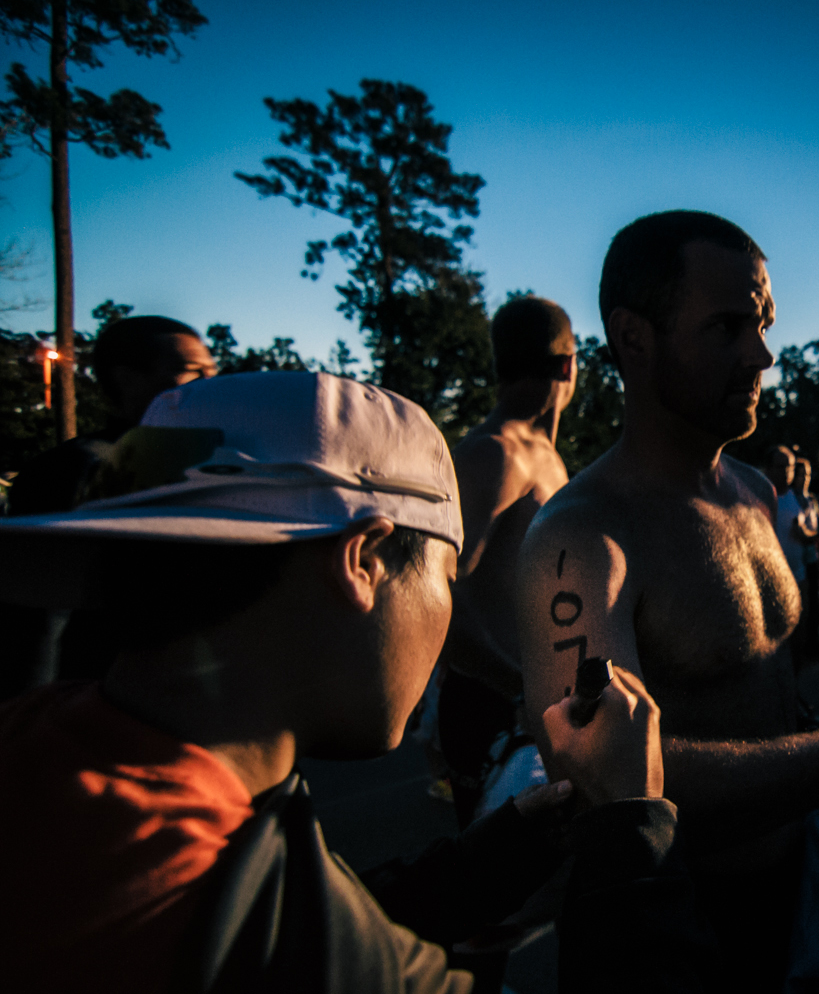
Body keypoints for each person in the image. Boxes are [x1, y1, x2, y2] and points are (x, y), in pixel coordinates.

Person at [0, 371, 710, 993]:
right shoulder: (212, 914)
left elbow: (323, 913)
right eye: (445, 573)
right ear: (365, 560)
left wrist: (499, 854)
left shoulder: (46, 747)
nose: (446, 615)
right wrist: (633, 830)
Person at [514, 210, 819, 994]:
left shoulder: (753, 491)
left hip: (802, 898)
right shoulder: (582, 536)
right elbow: (602, 782)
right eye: (728, 328)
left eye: (763, 325)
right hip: (667, 932)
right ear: (634, 338)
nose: (762, 355)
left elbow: (760, 695)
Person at [2, 316, 219, 697]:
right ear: (128, 379)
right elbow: (37, 623)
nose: (210, 385)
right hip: (97, 716)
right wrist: (29, 723)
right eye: (190, 372)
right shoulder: (80, 469)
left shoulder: (211, 468)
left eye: (212, 371)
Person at [435, 295, 578, 825]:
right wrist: (516, 686)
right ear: (568, 364)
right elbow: (437, 591)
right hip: (493, 706)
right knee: (499, 881)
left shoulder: (545, 454)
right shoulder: (493, 453)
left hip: (534, 700)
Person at [769, 449, 819, 668]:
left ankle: (794, 687)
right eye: (781, 466)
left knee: (799, 632)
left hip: (798, 576)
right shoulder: (762, 496)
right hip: (771, 578)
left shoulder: (800, 500)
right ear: (769, 468)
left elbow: (813, 533)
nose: (786, 472)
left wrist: (805, 534)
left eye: (790, 467)